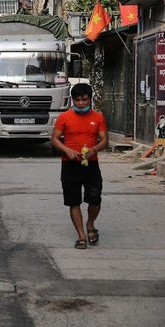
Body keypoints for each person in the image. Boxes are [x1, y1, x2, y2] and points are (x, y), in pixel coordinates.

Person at [50, 83, 108, 250]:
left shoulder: (98, 117)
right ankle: (81, 236)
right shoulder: (64, 117)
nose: (81, 103)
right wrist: (67, 150)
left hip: (91, 164)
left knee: (95, 198)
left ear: (90, 99)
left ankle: (90, 223)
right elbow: (54, 139)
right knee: (73, 201)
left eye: (84, 100)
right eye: (77, 100)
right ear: (73, 100)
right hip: (69, 165)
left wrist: (95, 149)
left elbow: (104, 140)